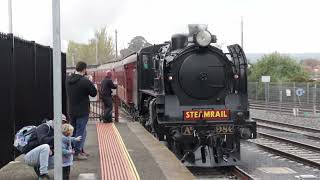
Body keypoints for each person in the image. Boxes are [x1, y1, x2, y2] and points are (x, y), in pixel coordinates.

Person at [66, 61, 97, 160]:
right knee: (81, 131)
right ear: (84, 69)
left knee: (74, 131)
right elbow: (94, 93)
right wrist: (90, 82)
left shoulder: (68, 80)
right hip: (82, 111)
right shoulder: (85, 81)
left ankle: (76, 150)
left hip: (71, 110)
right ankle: (77, 152)